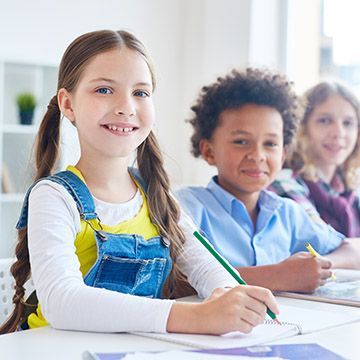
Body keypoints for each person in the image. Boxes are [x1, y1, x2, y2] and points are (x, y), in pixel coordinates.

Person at [0, 30, 278, 335]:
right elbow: (63, 302)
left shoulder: (158, 196)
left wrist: (232, 298)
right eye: (104, 90)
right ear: (68, 105)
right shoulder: (54, 196)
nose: (126, 107)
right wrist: (196, 317)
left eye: (140, 93)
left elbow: (209, 268)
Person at [176, 68, 360, 294]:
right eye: (241, 141)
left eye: (270, 144)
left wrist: (315, 267)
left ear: (283, 154)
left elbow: (353, 250)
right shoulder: (186, 208)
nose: (258, 155)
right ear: (209, 151)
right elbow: (173, 281)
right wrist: (277, 276)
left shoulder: (288, 214)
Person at [270, 82, 360, 237]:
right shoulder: (285, 183)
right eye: (324, 120)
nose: (338, 133)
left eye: (348, 123)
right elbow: (322, 242)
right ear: (302, 127)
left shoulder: (349, 191)